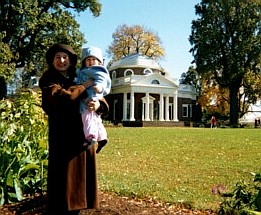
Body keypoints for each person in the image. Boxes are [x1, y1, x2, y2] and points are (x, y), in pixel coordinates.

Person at [39, 44, 109, 215]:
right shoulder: (48, 80)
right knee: (63, 184)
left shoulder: (78, 75)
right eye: (58, 57)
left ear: (70, 60)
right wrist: (84, 86)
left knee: (80, 182)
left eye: (65, 57)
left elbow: (100, 98)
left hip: (82, 137)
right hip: (63, 136)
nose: (62, 61)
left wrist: (98, 104)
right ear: (52, 60)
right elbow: (65, 99)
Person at [78, 46, 111, 153]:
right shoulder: (84, 71)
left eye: (93, 59)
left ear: (99, 62)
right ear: (84, 61)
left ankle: (90, 137)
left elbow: (102, 80)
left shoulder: (97, 70)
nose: (91, 62)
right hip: (90, 97)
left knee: (87, 117)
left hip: (90, 97)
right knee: (96, 120)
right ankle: (102, 138)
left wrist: (99, 87)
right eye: (88, 60)